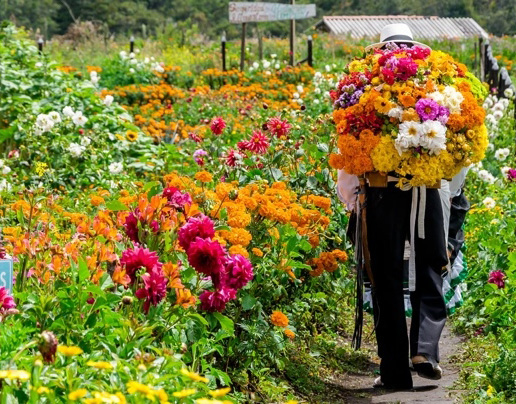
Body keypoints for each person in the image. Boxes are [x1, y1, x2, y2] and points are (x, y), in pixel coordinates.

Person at [337, 24, 450, 390]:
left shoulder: (362, 88)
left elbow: (348, 154)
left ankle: (395, 370)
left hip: (381, 193)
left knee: (384, 276)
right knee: (431, 265)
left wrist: (354, 200)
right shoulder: (436, 85)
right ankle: (425, 350)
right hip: (425, 190)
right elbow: (454, 153)